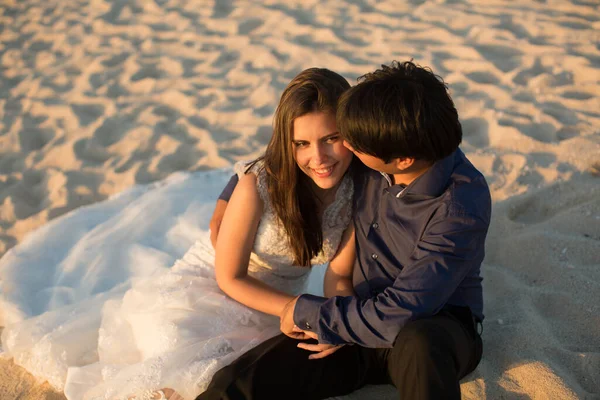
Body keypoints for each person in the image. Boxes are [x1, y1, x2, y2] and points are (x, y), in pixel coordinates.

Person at [2, 68, 356, 400]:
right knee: (181, 356)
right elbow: (229, 277)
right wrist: (301, 311)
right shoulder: (258, 186)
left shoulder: (357, 193)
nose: (319, 157)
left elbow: (339, 275)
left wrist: (332, 315)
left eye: (331, 138)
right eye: (302, 144)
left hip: (279, 301)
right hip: (210, 285)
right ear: (285, 142)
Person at [199, 61, 492, 400]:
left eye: (348, 141)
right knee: (239, 383)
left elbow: (402, 312)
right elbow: (287, 153)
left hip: (430, 327)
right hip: (353, 316)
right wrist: (231, 193)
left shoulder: (459, 206)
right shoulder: (383, 148)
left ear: (403, 160)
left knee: (419, 344)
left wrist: (307, 312)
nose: (344, 147)